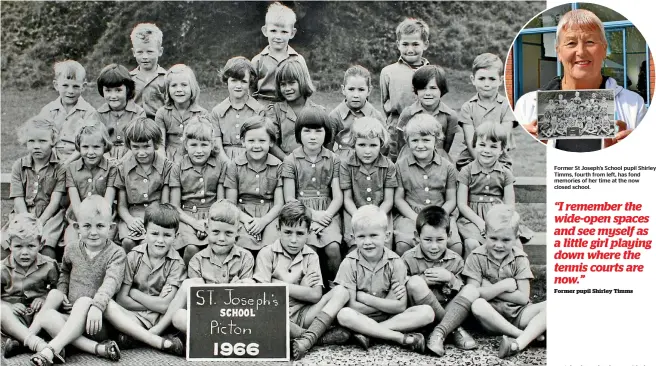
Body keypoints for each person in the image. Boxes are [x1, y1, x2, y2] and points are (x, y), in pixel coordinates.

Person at [515, 9, 647, 151]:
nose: (581, 52)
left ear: (604, 50)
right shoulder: (526, 106)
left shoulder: (634, 105)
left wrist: (635, 149)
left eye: (590, 42)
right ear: (558, 52)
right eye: (571, 43)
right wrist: (527, 149)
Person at [27, 196, 126, 365]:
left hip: (96, 320)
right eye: (87, 226)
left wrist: (97, 306)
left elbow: (111, 282)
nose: (93, 232)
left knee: (84, 301)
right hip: (70, 317)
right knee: (47, 315)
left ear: (111, 227)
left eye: (100, 226)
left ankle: (51, 349)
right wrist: (63, 292)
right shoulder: (71, 249)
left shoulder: (116, 253)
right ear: (76, 227)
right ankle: (97, 348)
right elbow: (65, 272)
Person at [252, 201, 350, 360]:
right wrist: (302, 288)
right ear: (278, 230)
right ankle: (317, 338)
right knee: (261, 318)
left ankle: (306, 338)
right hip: (277, 315)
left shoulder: (311, 255)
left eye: (299, 233)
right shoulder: (267, 253)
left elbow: (315, 295)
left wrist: (277, 284)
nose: (293, 240)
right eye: (288, 232)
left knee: (341, 291)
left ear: (308, 232)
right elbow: (264, 294)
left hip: (305, 315)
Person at [147, 200, 254, 336]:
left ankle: (208, 339)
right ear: (206, 228)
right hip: (206, 316)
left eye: (228, 233)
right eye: (215, 232)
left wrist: (244, 287)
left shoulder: (246, 257)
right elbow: (197, 301)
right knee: (179, 316)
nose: (221, 239)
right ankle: (212, 337)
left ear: (238, 231)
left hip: (235, 316)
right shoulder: (196, 261)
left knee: (249, 285)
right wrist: (229, 290)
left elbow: (249, 299)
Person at [335, 205, 433, 353]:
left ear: (386, 236)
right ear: (354, 237)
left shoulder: (396, 262)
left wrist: (364, 298)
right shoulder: (349, 263)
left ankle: (370, 333)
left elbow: (400, 307)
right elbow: (352, 307)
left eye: (374, 235)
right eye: (361, 236)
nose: (367, 242)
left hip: (393, 319)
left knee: (427, 312)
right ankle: (399, 338)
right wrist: (387, 301)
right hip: (361, 317)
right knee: (344, 315)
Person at [464, 204, 546, 359]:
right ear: (484, 235)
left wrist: (490, 288)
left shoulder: (520, 258)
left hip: (519, 314)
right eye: (493, 238)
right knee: (477, 304)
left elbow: (523, 298)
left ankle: (518, 343)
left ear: (516, 238)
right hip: (490, 316)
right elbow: (473, 293)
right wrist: (504, 286)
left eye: (506, 240)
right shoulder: (476, 257)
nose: (499, 245)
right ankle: (524, 336)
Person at [103, 203, 186, 356]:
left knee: (174, 314)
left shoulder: (176, 263)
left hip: (160, 321)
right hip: (134, 317)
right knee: (107, 305)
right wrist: (155, 302)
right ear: (145, 232)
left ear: (176, 236)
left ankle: (136, 336)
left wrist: (134, 293)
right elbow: (122, 300)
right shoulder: (133, 256)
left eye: (167, 235)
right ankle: (153, 339)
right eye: (154, 234)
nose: (160, 240)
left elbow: (165, 306)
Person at [402, 206, 478, 356]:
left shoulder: (456, 260)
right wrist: (423, 280)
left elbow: (462, 292)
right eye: (428, 240)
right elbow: (399, 287)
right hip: (423, 313)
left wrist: (450, 278)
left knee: (472, 290)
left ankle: (439, 332)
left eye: (440, 240)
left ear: (449, 236)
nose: (434, 246)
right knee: (415, 282)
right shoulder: (408, 258)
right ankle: (453, 329)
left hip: (450, 308)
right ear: (417, 237)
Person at [281, 107, 343, 282]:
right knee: (309, 246)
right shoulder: (290, 160)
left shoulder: (333, 159)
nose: (313, 136)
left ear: (327, 133)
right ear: (299, 134)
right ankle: (311, 287)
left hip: (328, 212)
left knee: (332, 247)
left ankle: (335, 286)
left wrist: (326, 216)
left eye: (318, 131)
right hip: (301, 212)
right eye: (307, 131)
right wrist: (312, 215)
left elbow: (338, 196)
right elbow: (289, 199)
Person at [456, 122, 532, 261]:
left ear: (502, 149)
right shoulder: (466, 171)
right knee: (472, 243)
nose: (487, 150)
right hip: (472, 218)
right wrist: (479, 222)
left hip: (499, 217)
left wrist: (500, 222)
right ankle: (472, 277)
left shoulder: (505, 173)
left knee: (516, 245)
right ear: (475, 145)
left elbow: (509, 206)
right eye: (482, 145)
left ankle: (514, 274)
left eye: (493, 146)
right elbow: (461, 204)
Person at [393, 114, 461, 257]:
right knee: (403, 244)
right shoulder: (400, 166)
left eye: (426, 140)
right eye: (415, 140)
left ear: (436, 141)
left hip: (441, 213)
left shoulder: (448, 167)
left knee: (454, 245)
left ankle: (449, 275)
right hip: (410, 215)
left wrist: (440, 215)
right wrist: (415, 217)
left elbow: (451, 199)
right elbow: (399, 199)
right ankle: (406, 276)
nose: (420, 145)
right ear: (407, 141)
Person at [3, 117, 66, 259]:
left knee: (46, 245)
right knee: (8, 242)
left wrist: (39, 223)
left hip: (50, 216)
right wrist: (26, 220)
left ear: (53, 142)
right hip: (23, 213)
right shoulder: (19, 166)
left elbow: (55, 202)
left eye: (42, 141)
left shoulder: (60, 168)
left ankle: (47, 277)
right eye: (31, 141)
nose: (36, 146)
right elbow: (18, 199)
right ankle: (11, 277)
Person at [169, 116, 229, 265]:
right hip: (186, 217)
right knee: (191, 247)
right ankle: (184, 277)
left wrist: (209, 222)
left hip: (213, 215)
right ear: (186, 145)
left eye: (204, 145)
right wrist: (195, 223)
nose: (199, 151)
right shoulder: (178, 167)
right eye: (194, 145)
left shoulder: (220, 165)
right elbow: (174, 206)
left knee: (216, 245)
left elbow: (220, 202)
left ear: (212, 144)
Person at [224, 116, 283, 258]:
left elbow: (279, 203)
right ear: (243, 141)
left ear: (271, 142)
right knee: (242, 244)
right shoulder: (234, 166)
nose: (256, 145)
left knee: (272, 246)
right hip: (242, 214)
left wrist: (263, 222)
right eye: (251, 141)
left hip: (270, 215)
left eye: (262, 141)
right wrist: (247, 220)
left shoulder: (278, 166)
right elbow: (231, 204)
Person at [1, 214, 59, 359]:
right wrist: (8, 305)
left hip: (37, 316)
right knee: (2, 312)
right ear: (9, 244)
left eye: (31, 246)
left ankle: (21, 342)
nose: (25, 252)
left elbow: (57, 290)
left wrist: (44, 298)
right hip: (14, 318)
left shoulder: (49, 265)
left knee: (50, 314)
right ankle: (38, 344)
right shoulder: (2, 269)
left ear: (41, 244)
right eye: (18, 246)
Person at [113, 117, 174, 252]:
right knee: (128, 242)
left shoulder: (166, 166)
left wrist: (151, 226)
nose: (141, 152)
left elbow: (165, 205)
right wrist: (130, 221)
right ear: (129, 146)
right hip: (132, 216)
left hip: (157, 217)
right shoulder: (123, 168)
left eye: (146, 146)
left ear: (156, 144)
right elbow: (122, 206)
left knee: (148, 242)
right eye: (135, 147)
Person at [339, 117, 397, 250]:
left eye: (373, 145)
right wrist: (359, 216)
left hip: (381, 211)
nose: (367, 151)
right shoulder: (346, 165)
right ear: (354, 144)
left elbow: (388, 200)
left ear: (381, 144)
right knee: (354, 244)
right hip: (354, 211)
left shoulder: (388, 166)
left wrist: (376, 218)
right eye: (362, 145)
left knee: (384, 244)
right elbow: (347, 199)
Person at [380, 18, 430, 161]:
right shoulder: (388, 72)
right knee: (395, 165)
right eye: (405, 44)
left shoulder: (432, 72)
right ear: (398, 45)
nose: (410, 49)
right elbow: (385, 102)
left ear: (425, 44)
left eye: (415, 44)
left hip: (424, 127)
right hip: (396, 130)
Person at [456, 53, 516, 170]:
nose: (487, 84)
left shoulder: (506, 106)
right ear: (473, 80)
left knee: (502, 174)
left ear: (500, 80)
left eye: (492, 79)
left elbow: (504, 138)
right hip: (472, 156)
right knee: (467, 172)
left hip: (499, 155)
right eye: (482, 79)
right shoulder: (468, 107)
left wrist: (491, 166)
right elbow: (470, 141)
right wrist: (481, 165)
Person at [63, 123, 117, 247]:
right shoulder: (71, 169)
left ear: (104, 146)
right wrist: (84, 227)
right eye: (85, 147)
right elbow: (75, 204)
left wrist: (96, 227)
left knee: (104, 244)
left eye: (96, 147)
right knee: (71, 244)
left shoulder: (111, 169)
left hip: (104, 220)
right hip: (77, 220)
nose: (90, 152)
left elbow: (107, 205)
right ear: (79, 147)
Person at [267, 58, 327, 160]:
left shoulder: (318, 111)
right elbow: (271, 143)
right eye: (283, 84)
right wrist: (287, 160)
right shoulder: (275, 111)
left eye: (291, 83)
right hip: (284, 162)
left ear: (302, 81)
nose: (287, 88)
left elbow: (326, 143)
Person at [395, 64, 458, 163]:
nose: (428, 93)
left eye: (433, 88)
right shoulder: (408, 113)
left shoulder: (450, 116)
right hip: (410, 161)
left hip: (437, 162)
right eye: (423, 88)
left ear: (441, 89)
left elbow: (446, 147)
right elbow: (401, 144)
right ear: (416, 90)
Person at [37, 60, 97, 162]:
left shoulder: (89, 112)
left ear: (83, 86)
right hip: (51, 158)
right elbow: (42, 139)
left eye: (76, 86)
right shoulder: (48, 111)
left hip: (79, 159)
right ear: (56, 85)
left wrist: (67, 163)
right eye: (65, 85)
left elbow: (89, 143)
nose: (70, 91)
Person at [251, 1, 310, 104]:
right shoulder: (258, 61)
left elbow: (305, 90)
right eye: (273, 31)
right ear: (265, 31)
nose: (278, 37)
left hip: (290, 108)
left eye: (284, 32)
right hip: (263, 109)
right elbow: (250, 91)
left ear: (292, 33)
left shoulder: (298, 60)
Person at [209, 56, 265, 161]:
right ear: (227, 81)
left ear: (250, 83)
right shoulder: (217, 111)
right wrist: (228, 164)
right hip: (224, 161)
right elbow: (217, 144)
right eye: (234, 80)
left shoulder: (258, 110)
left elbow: (259, 142)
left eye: (243, 81)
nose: (238, 86)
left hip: (251, 160)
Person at [329, 65, 386, 160]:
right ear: (343, 89)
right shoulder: (335, 116)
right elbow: (328, 146)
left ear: (369, 90)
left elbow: (384, 145)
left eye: (361, 90)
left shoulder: (375, 116)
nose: (356, 95)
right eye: (351, 89)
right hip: (343, 165)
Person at [155, 64, 207, 163]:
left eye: (184, 85)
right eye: (174, 85)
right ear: (168, 89)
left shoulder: (201, 113)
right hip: (169, 159)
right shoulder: (162, 113)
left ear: (192, 88)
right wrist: (164, 163)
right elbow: (160, 145)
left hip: (194, 158)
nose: (179, 89)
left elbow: (205, 144)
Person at [96, 64, 147, 159]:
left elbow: (139, 142)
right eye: (108, 90)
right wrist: (107, 159)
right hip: (105, 155)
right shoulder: (99, 114)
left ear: (127, 89)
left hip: (132, 154)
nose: (113, 96)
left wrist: (123, 160)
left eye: (118, 90)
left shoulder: (138, 113)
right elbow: (97, 142)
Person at [130, 23, 167, 120]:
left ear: (160, 51)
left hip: (158, 127)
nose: (145, 57)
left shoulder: (167, 78)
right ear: (134, 52)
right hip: (135, 126)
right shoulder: (129, 78)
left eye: (150, 52)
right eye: (140, 52)